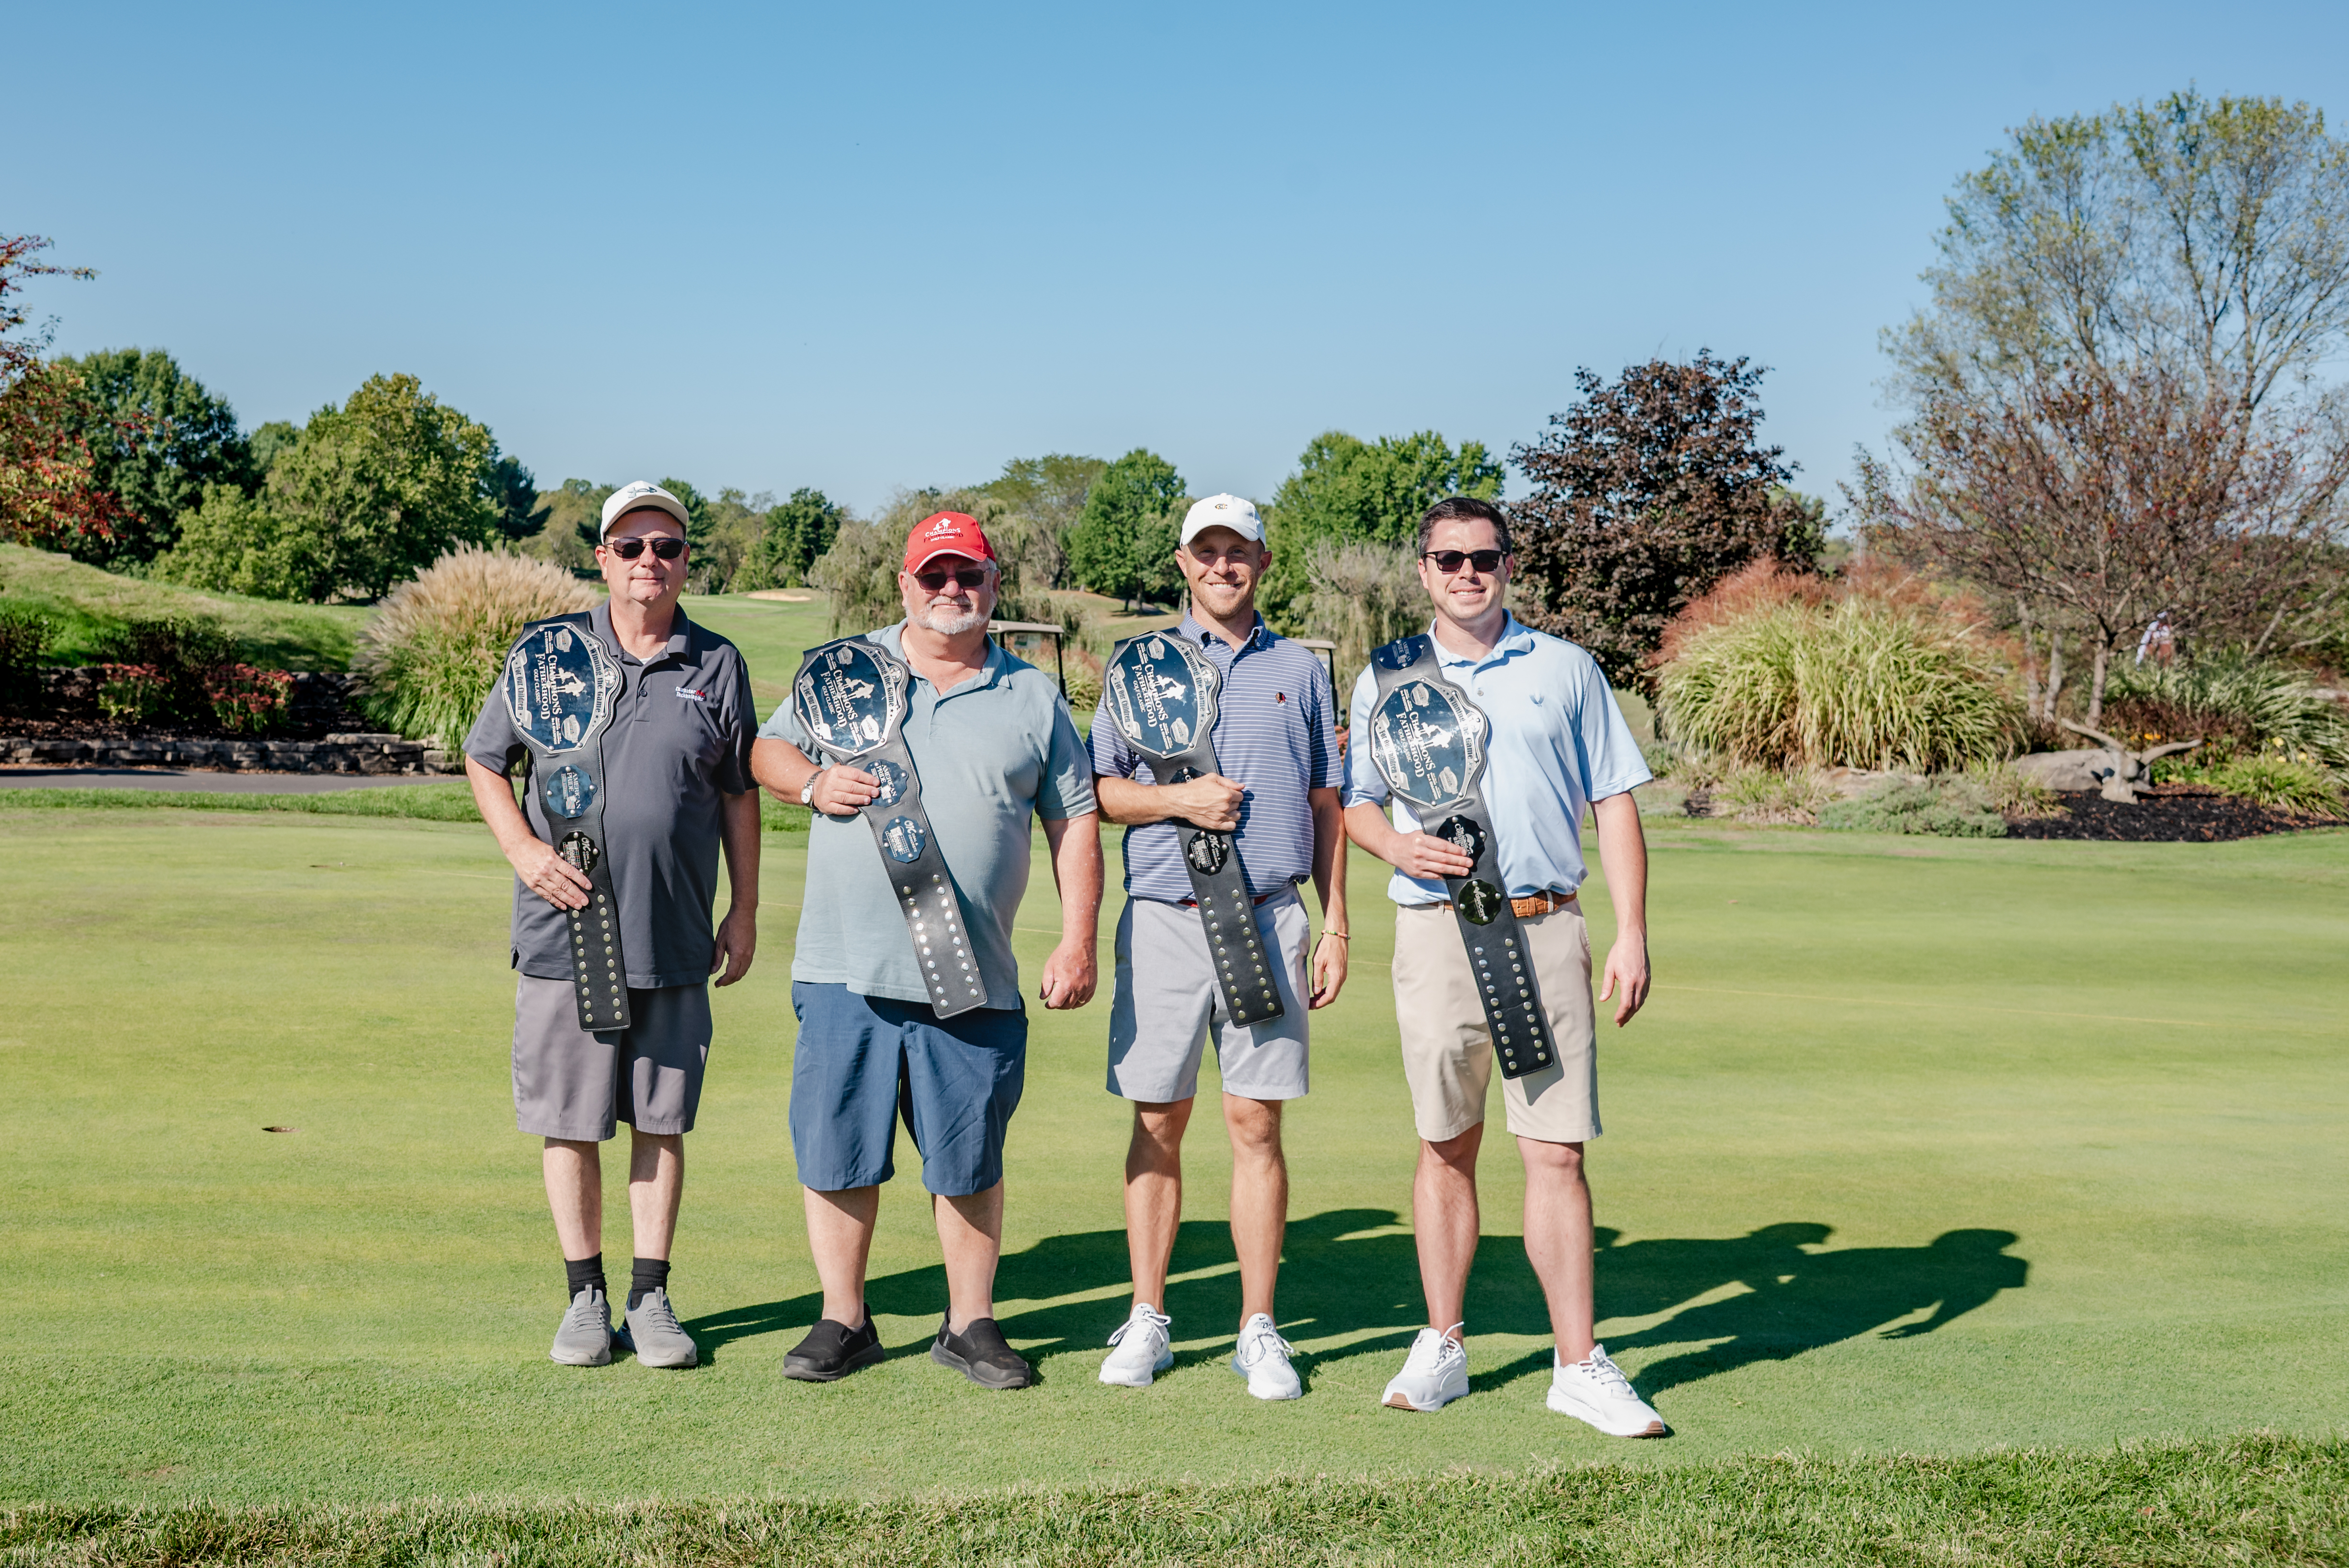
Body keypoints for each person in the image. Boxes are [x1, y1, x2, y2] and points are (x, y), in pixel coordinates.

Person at [751, 510, 1102, 1391]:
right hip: (846, 966)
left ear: (993, 586)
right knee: (837, 1150)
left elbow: (1076, 820)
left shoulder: (1032, 695)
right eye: (934, 576)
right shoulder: (845, 672)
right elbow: (765, 749)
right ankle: (844, 1320)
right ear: (904, 585)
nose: (952, 591)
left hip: (973, 976)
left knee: (969, 1156)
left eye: (969, 576)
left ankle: (969, 1323)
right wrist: (811, 782)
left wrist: (1077, 937)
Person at [1342, 495, 1667, 1436]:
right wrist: (1393, 849)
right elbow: (1358, 803)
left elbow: (1612, 801)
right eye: (1447, 559)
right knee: (1445, 1141)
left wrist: (1632, 929)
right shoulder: (1389, 674)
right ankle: (1442, 1342)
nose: (1466, 573)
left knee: (1555, 1149)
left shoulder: (1564, 668)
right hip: (1438, 933)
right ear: (1422, 570)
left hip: (1541, 927)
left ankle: (1576, 1363)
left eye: (1483, 556)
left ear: (1509, 563)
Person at [463, 480, 760, 1371]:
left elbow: (739, 796)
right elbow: (486, 759)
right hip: (565, 936)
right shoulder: (548, 653)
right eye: (629, 547)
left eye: (665, 546)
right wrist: (521, 847)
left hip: (671, 934)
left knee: (659, 1119)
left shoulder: (716, 665)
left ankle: (651, 1294)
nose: (648, 562)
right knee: (572, 1118)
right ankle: (585, 1295)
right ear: (601, 557)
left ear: (683, 560)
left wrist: (744, 908)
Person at [1089, 494, 1350, 1400]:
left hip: (1271, 915)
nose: (1222, 566)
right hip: (1165, 914)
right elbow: (1099, 792)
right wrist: (1179, 801)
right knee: (1157, 1116)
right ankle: (1150, 1316)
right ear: (1181, 560)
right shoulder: (1140, 664)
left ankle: (1257, 1326)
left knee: (1256, 1121)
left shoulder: (1299, 668)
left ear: (1262, 562)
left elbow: (1328, 801)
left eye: (1238, 552)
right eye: (1207, 551)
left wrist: (1337, 921)